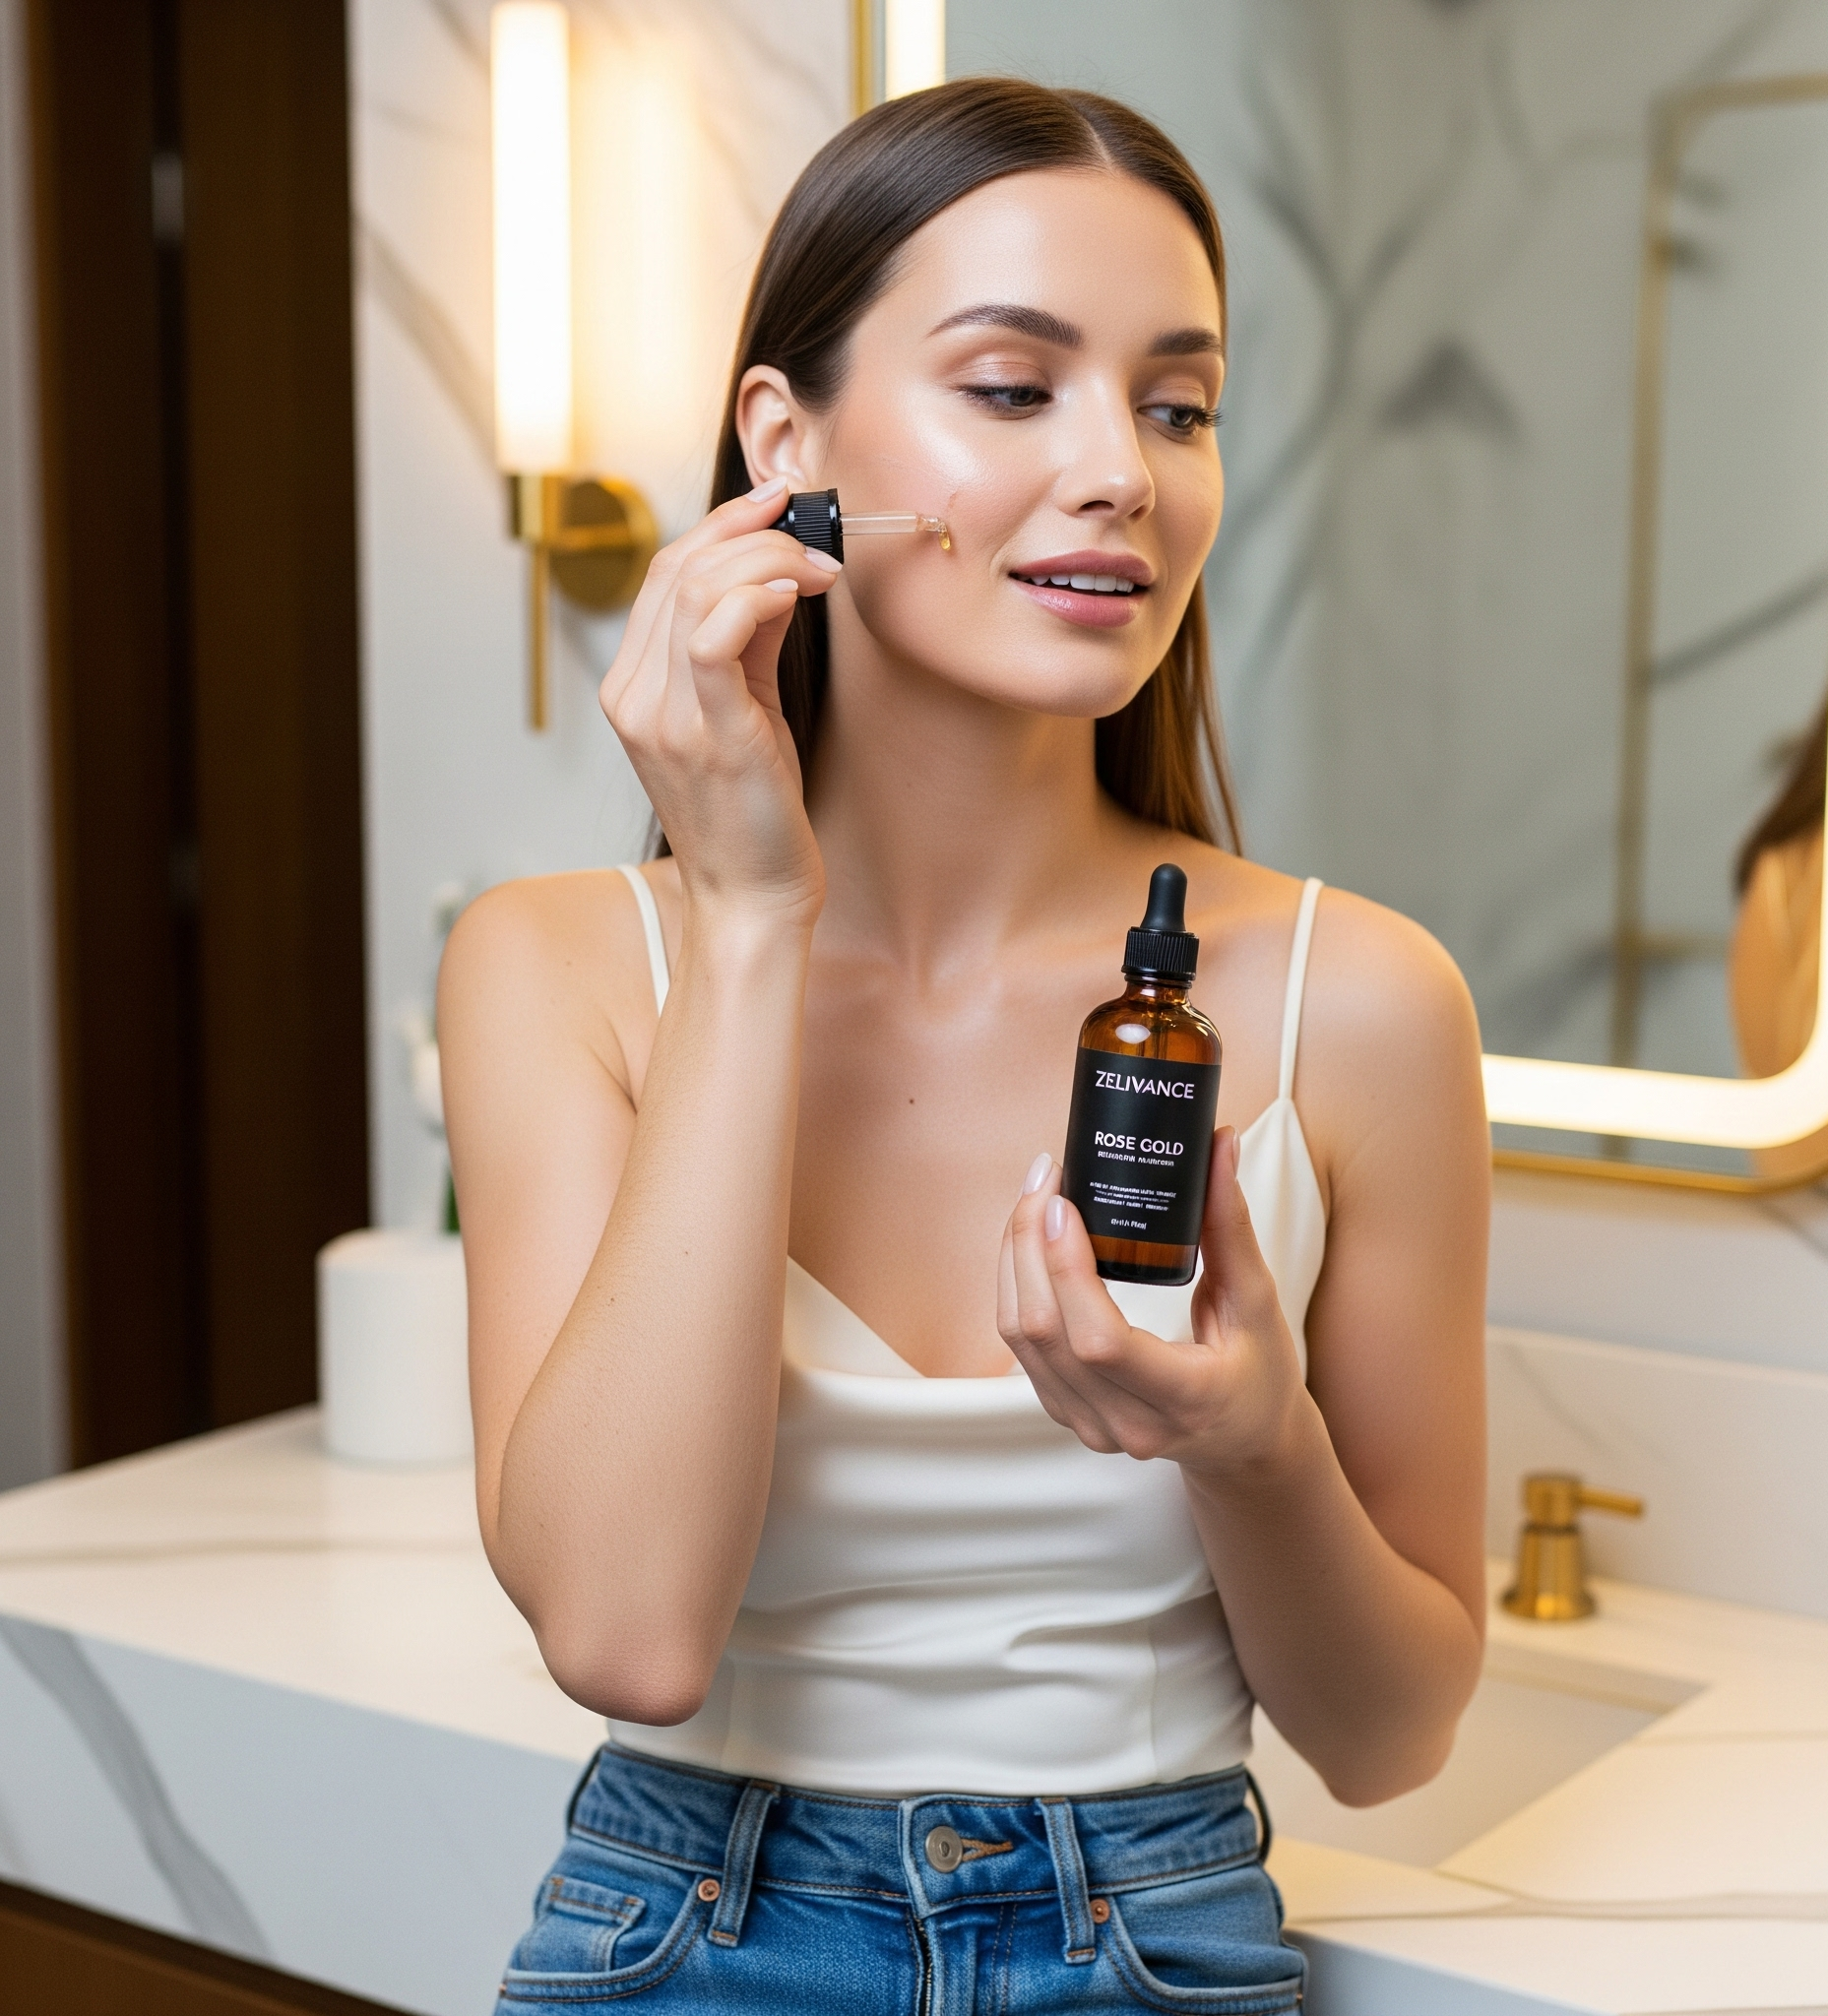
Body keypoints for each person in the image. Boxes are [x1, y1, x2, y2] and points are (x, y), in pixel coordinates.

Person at [441, 77, 1489, 2015]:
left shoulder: (1358, 1000)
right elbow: (625, 1628)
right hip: (673, 1929)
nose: (1123, 473)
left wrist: (1250, 1445)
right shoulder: (559, 968)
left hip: (1153, 1940)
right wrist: (752, 918)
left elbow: (1391, 1732)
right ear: (788, 441)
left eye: (1177, 405)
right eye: (1013, 387)